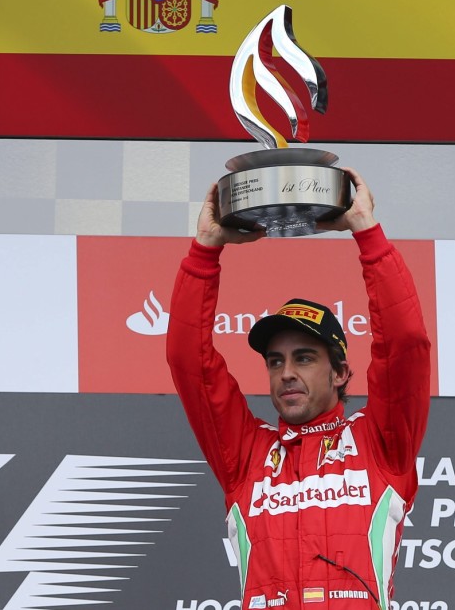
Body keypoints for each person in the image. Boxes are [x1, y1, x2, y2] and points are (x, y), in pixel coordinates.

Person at [166, 168, 431, 609]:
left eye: (304, 358)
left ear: (340, 373)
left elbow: (405, 343)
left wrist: (366, 232)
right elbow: (187, 360)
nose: (286, 372)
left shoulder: (381, 445)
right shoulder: (245, 456)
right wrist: (205, 250)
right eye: (276, 361)